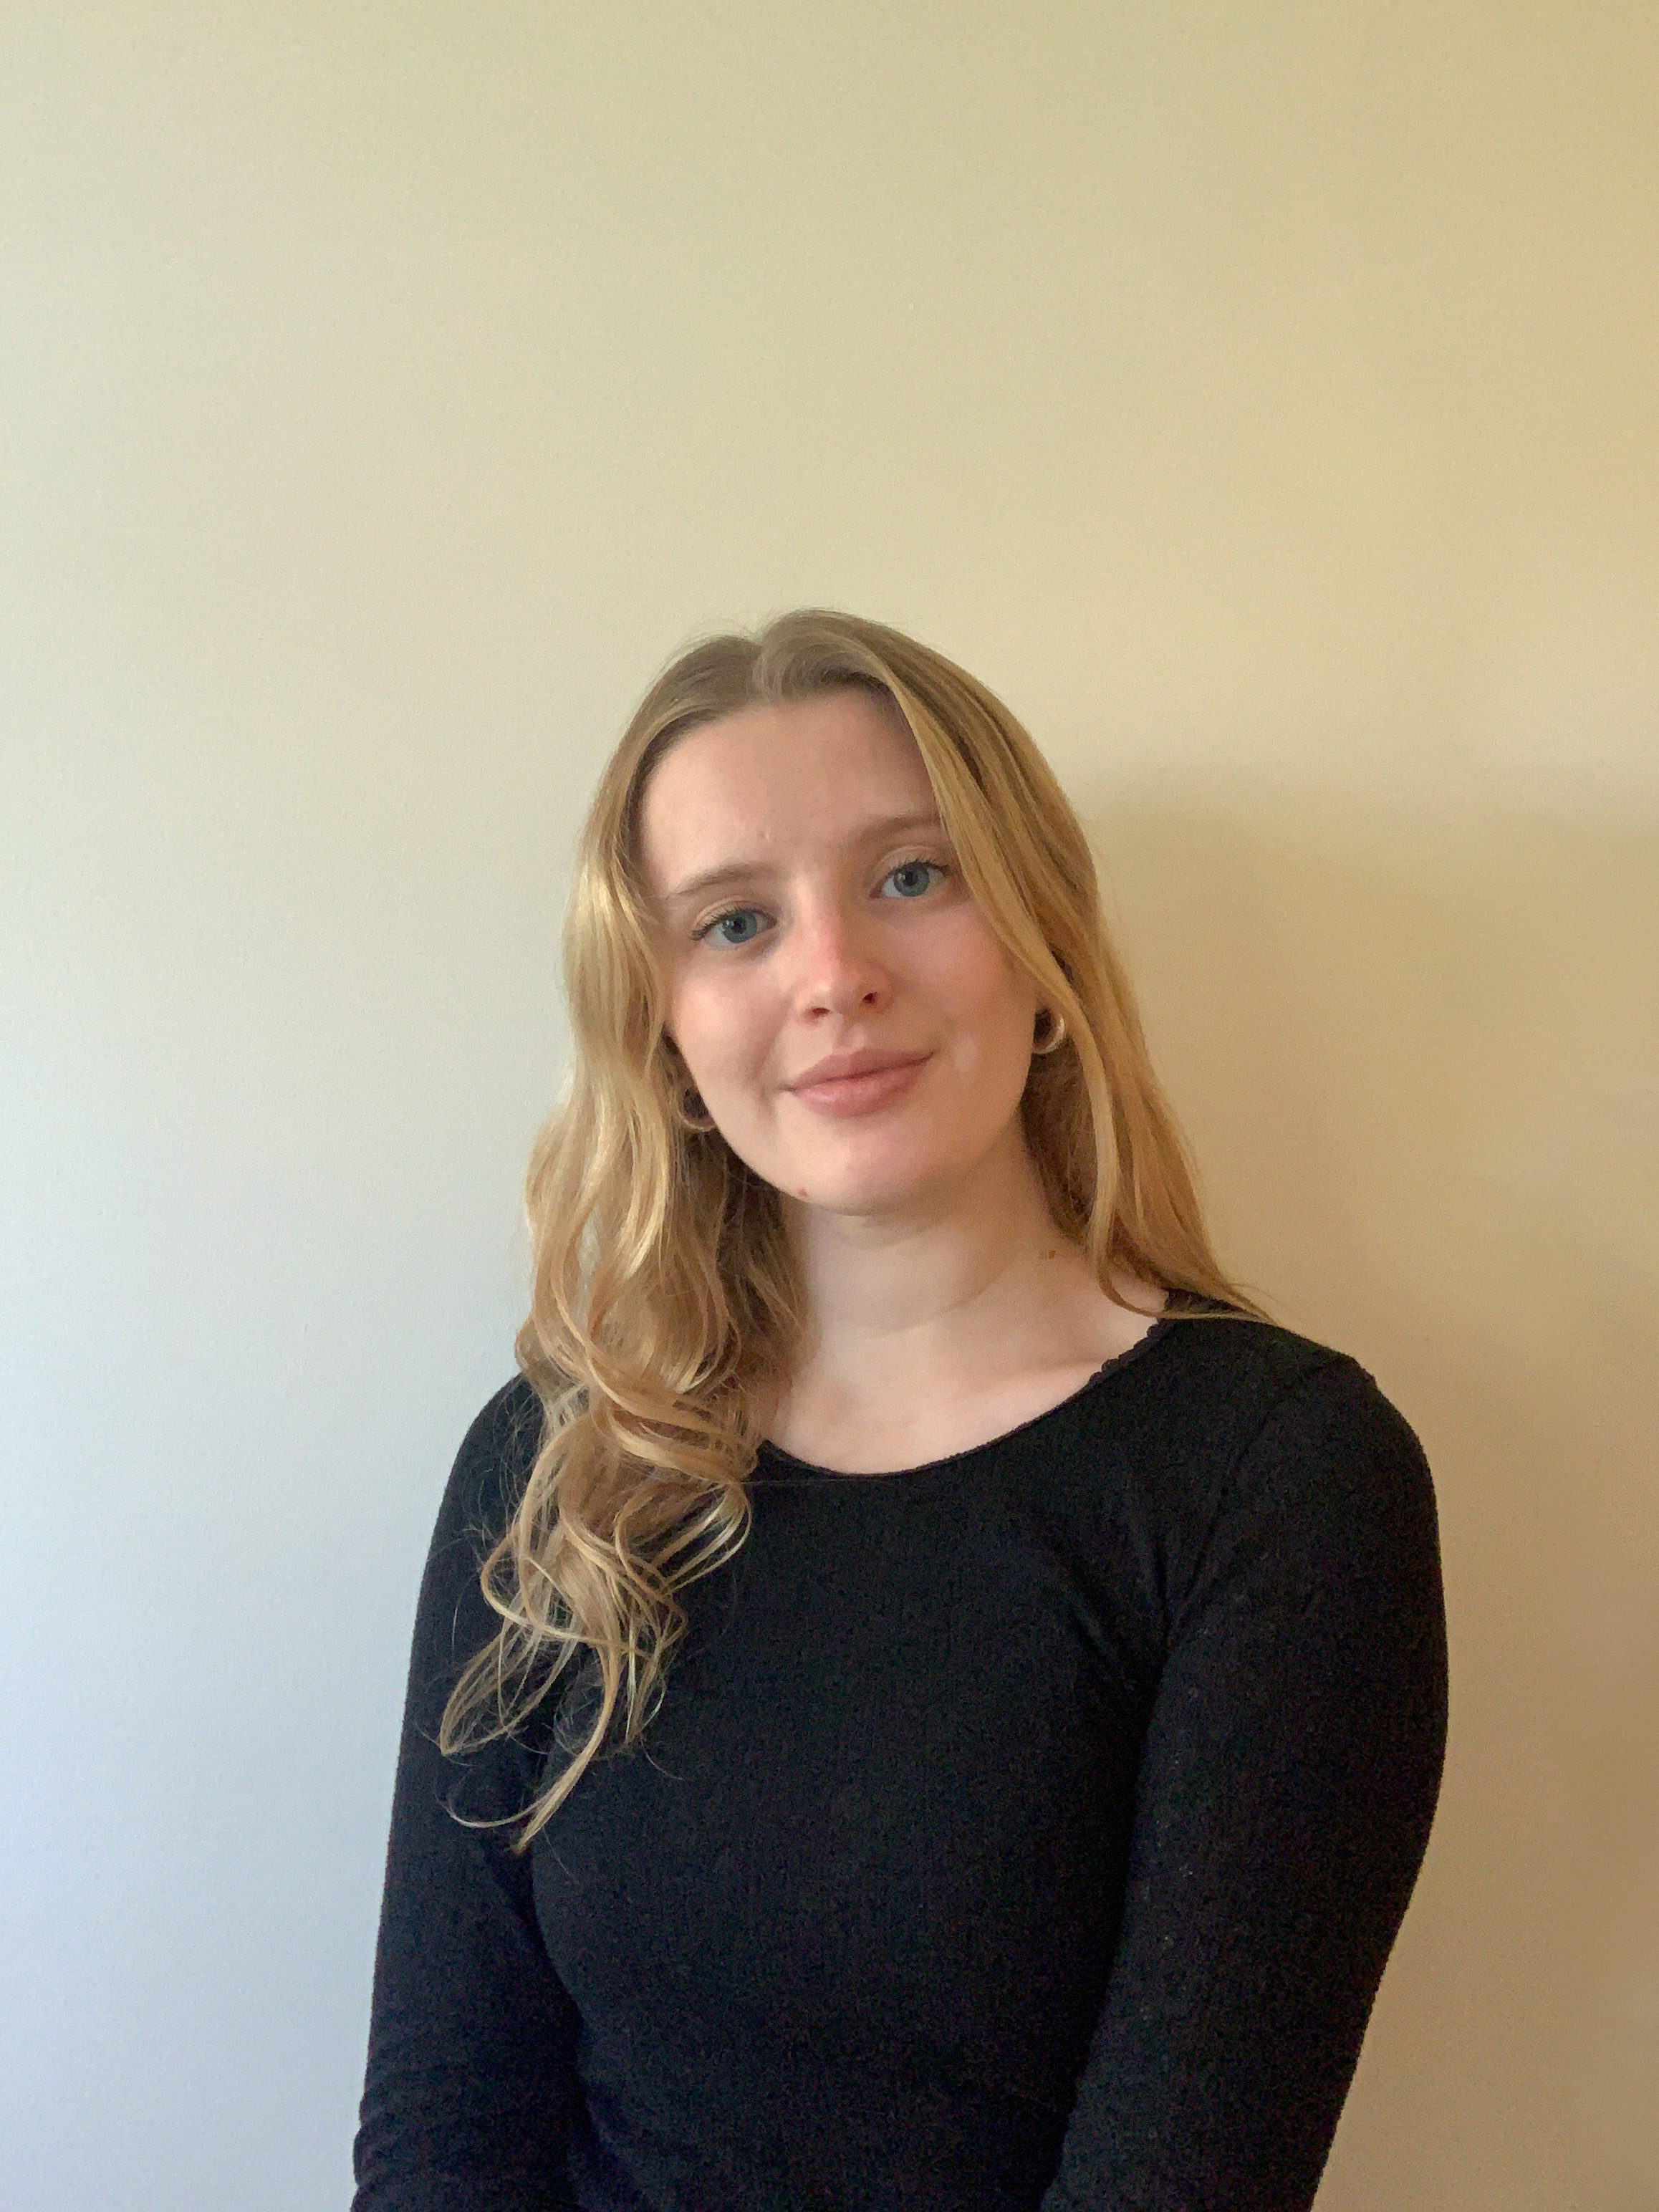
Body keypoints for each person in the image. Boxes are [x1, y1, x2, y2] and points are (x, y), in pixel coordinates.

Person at [350, 610, 1448, 2211]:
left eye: (913, 877)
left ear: (1044, 949)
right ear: (664, 1034)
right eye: (736, 922)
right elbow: (444, 2127)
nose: (834, 975)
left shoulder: (1278, 1481)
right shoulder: (556, 1463)